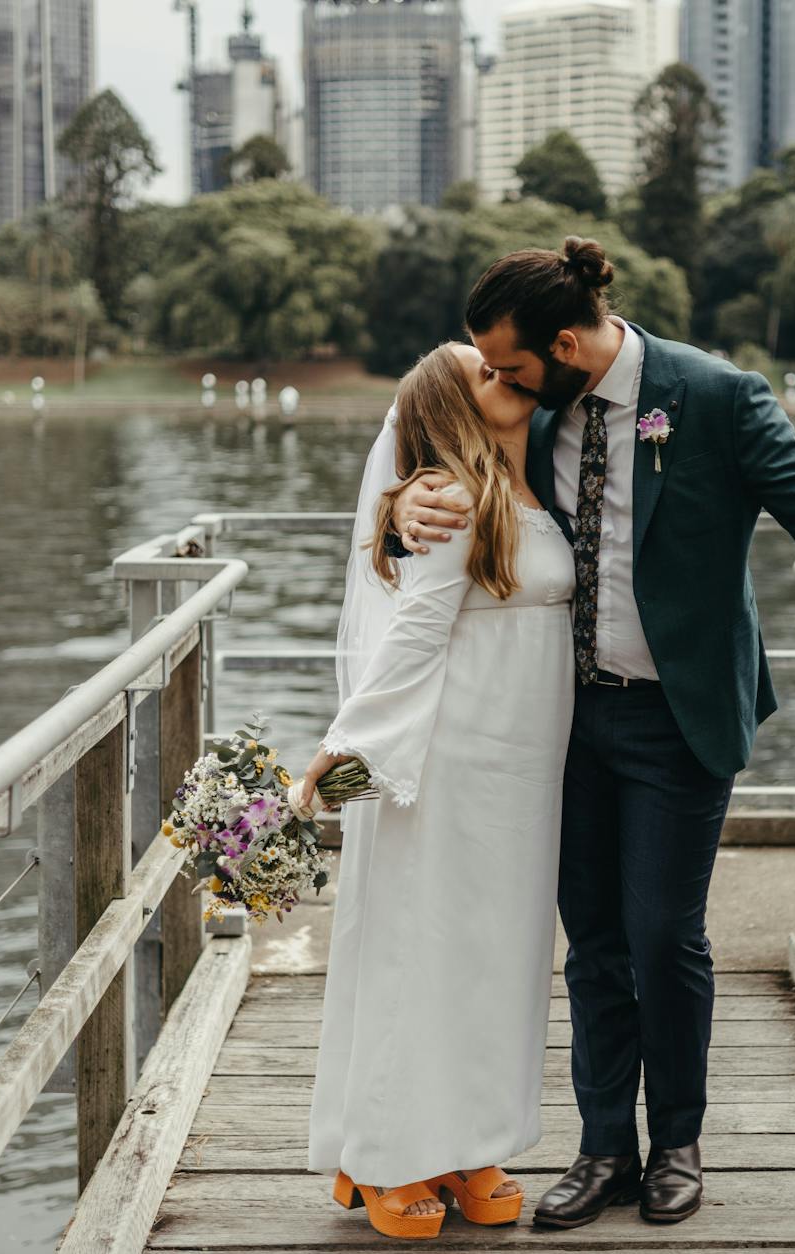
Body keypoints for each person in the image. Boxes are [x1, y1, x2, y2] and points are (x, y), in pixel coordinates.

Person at [390, 237, 795, 1229]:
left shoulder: (716, 397)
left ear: (567, 344)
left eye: (509, 366)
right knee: (592, 942)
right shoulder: (538, 410)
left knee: (663, 934)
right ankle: (601, 1151)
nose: (498, 384)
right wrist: (401, 504)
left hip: (677, 716)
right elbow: (458, 480)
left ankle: (676, 1143)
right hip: (563, 716)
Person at [295, 342, 574, 1240]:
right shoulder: (449, 498)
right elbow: (415, 628)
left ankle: (462, 1139)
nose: (505, 375)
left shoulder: (534, 477)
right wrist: (347, 745)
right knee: (423, 948)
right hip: (452, 756)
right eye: (482, 374)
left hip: (520, 768)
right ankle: (387, 1153)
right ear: (451, 411)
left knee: (493, 954)